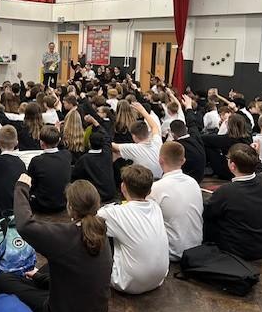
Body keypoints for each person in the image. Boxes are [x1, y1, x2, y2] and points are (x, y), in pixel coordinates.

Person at [0, 177, 112, 312]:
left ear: (70, 207)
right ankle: (40, 279)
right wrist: (39, 277)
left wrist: (21, 188)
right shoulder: (101, 231)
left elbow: (24, 226)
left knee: (3, 280)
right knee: (52, 266)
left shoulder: (64, 237)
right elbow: (79, 273)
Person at [97, 164, 169, 294]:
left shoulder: (115, 213)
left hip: (127, 284)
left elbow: (96, 216)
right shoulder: (155, 207)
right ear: (149, 191)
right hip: (159, 278)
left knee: (99, 231)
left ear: (123, 187)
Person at [203, 143, 262, 260]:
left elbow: (208, 213)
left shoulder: (226, 191)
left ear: (232, 165)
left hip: (238, 250)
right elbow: (260, 170)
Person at [149, 142, 203, 261]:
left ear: (160, 160)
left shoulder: (156, 188)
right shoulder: (194, 183)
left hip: (172, 252)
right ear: (183, 161)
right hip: (196, 247)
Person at [112, 102, 163, 180]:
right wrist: (143, 111)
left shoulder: (134, 148)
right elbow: (154, 126)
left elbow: (112, 145)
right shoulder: (157, 142)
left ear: (134, 136)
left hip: (145, 182)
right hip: (160, 178)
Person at [28, 126, 73, 213]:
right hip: (63, 203)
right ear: (59, 140)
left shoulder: (36, 161)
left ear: (41, 143)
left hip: (43, 205)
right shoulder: (67, 155)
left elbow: (31, 184)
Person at [72, 116, 117, 203]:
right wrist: (95, 122)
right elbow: (107, 137)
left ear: (89, 143)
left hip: (95, 196)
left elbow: (75, 175)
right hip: (110, 193)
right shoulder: (107, 153)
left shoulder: (84, 159)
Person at [202, 114, 253, 180]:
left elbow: (204, 138)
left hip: (229, 172)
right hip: (245, 169)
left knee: (208, 146)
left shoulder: (228, 139)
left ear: (229, 126)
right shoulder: (248, 137)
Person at [169, 94, 206, 182]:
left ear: (173, 134)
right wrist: (189, 107)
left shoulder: (177, 146)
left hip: (188, 179)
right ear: (185, 128)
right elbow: (192, 123)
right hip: (200, 175)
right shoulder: (195, 136)